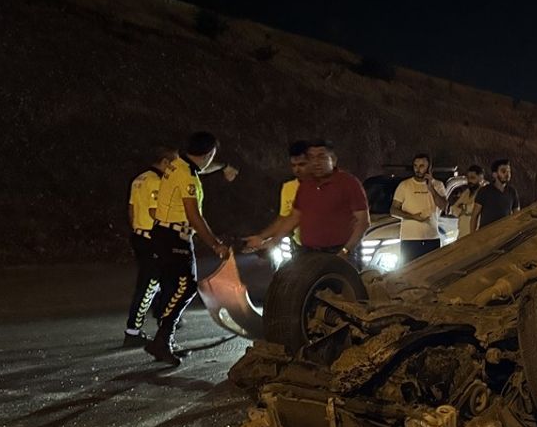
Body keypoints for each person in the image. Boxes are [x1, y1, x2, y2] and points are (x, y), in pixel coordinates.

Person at [146, 132, 237, 365]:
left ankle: (164, 340)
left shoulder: (177, 164)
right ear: (207, 154)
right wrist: (215, 244)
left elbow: (202, 168)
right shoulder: (188, 178)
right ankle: (162, 340)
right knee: (186, 288)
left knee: (171, 287)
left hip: (162, 233)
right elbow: (194, 216)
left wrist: (223, 166)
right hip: (175, 237)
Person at [244, 139, 369, 269]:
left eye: (321, 157)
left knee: (343, 288)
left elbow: (363, 222)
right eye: (312, 158)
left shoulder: (349, 183)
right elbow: (294, 217)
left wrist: (346, 251)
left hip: (339, 252)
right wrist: (271, 241)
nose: (316, 162)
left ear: (333, 159)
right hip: (308, 253)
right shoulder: (305, 186)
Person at [123, 147, 173, 347]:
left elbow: (131, 209)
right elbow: (156, 212)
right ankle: (133, 330)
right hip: (152, 238)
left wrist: (137, 230)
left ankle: (163, 313)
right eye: (173, 164)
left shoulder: (139, 179)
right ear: (164, 162)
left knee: (157, 280)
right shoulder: (156, 181)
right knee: (149, 284)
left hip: (140, 236)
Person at [391, 153, 447, 263]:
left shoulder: (438, 185)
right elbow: (393, 210)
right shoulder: (405, 185)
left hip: (431, 237)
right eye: (415, 166)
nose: (418, 169)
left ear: (429, 168)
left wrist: (431, 188)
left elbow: (443, 206)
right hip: (410, 239)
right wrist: (412, 217)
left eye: (422, 166)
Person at [471, 158, 521, 231]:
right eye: (503, 171)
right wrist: (472, 237)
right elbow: (474, 216)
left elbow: (517, 214)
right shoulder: (484, 191)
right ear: (494, 174)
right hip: (486, 235)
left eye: (509, 172)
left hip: (505, 233)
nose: (507, 174)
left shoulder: (512, 191)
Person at [450, 164, 485, 239]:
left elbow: (473, 209)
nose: (470, 181)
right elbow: (453, 209)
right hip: (462, 235)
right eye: (468, 178)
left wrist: (463, 208)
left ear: (480, 178)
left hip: (476, 236)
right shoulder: (466, 192)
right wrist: (464, 210)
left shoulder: (484, 193)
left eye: (472, 178)